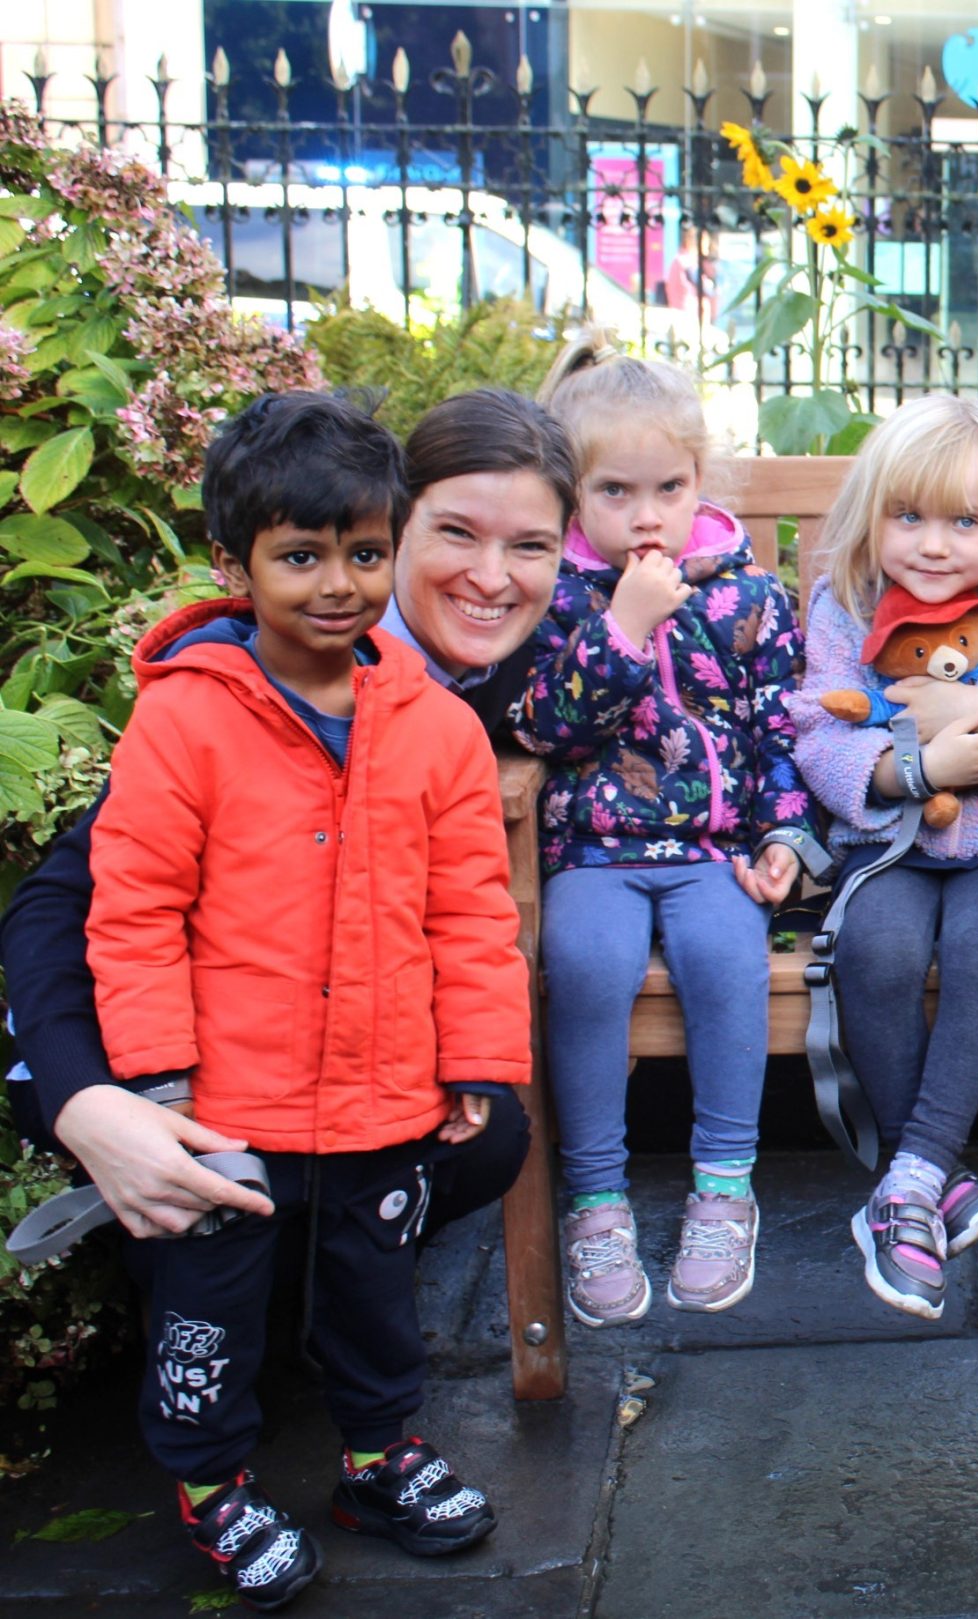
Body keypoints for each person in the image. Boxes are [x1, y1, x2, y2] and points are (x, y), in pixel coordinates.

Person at [83, 393, 526, 1607]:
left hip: (385, 1089)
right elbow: (132, 908)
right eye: (300, 555)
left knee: (374, 1295)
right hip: (230, 1097)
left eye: (365, 553)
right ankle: (208, 1481)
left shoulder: (432, 724)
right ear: (234, 563)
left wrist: (475, 1058)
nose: (338, 583)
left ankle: (380, 1457)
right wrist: (157, 1076)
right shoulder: (185, 717)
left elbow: (473, 909)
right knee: (211, 1306)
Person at [1, 387, 571, 1253]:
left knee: (486, 1137)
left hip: (336, 1055)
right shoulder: (243, 681)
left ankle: (319, 1290)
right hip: (152, 1052)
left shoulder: (492, 671)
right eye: (456, 532)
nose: (492, 576)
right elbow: (66, 903)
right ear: (391, 523)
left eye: (529, 545)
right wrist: (88, 1100)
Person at [512, 335, 818, 1326]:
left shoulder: (747, 595)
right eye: (613, 492)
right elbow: (542, 726)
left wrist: (782, 839)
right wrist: (621, 631)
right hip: (593, 852)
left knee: (728, 961)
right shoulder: (554, 597)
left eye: (668, 487)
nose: (645, 515)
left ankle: (724, 1185)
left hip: (709, 853)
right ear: (570, 497)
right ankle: (595, 1198)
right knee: (586, 965)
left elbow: (780, 728)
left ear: (698, 480)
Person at [788, 396, 978, 1321]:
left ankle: (905, 1176)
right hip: (891, 843)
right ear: (873, 517)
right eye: (908, 516)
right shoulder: (844, 605)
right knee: (874, 954)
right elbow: (815, 727)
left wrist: (970, 721)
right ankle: (927, 1182)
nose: (933, 543)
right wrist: (910, 766)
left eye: (966, 521)